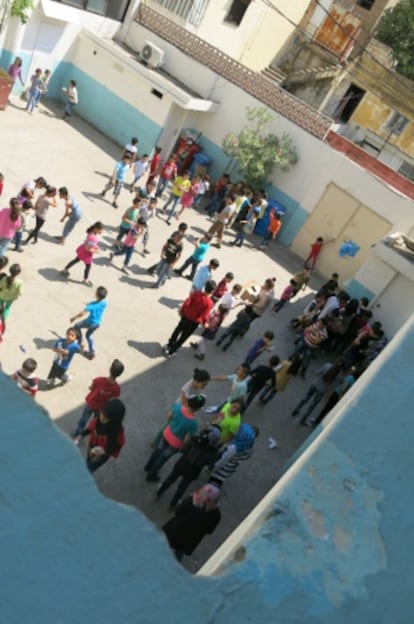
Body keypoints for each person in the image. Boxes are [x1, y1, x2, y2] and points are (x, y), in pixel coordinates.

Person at [156, 424, 221, 508]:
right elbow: (209, 464)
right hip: (194, 471)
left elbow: (183, 450)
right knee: (182, 487)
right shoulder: (214, 452)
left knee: (171, 478)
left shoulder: (194, 440)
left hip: (182, 463)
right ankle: (173, 504)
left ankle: (159, 494)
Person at [145, 395, 205, 482]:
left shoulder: (178, 407)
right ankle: (151, 475)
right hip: (175, 443)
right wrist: (183, 446)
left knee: (158, 450)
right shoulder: (193, 424)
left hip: (166, 433)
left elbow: (169, 417)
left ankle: (148, 466)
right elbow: (186, 439)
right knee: (162, 458)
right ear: (198, 408)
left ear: (189, 401)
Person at [162, 484, 221, 562]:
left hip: (176, 531)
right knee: (178, 553)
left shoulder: (191, 501)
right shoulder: (216, 514)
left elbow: (178, 512)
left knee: (165, 546)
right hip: (189, 539)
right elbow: (209, 530)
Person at [163, 280, 216, 357]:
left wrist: (182, 311)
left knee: (178, 330)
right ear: (212, 291)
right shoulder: (209, 303)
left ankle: (169, 344)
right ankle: (172, 351)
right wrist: (205, 324)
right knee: (184, 336)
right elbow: (204, 316)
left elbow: (187, 302)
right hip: (193, 323)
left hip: (185, 317)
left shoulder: (196, 293)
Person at [74, 359, 124, 437]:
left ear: (110, 369)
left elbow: (90, 388)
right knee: (96, 421)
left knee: (84, 418)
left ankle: (78, 433)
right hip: (101, 409)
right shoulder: (116, 388)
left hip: (91, 403)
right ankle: (91, 434)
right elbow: (112, 400)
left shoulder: (99, 380)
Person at [75, 398, 126, 473]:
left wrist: (104, 451)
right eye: (102, 413)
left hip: (102, 454)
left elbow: (118, 445)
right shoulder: (98, 419)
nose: (102, 418)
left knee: (90, 468)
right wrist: (81, 435)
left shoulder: (117, 430)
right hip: (92, 445)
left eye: (106, 418)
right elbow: (90, 428)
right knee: (88, 459)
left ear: (114, 420)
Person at [292, 359, 344, 425]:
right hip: (322, 390)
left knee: (306, 397)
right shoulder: (338, 376)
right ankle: (303, 418)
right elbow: (333, 385)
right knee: (313, 405)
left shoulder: (327, 365)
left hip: (315, 384)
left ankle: (296, 410)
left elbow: (317, 372)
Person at [209, 423, 259, 487]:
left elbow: (223, 460)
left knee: (212, 484)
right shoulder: (250, 447)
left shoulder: (233, 448)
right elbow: (246, 457)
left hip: (220, 470)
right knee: (219, 483)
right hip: (230, 469)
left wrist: (213, 468)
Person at [70, 286, 108, 359]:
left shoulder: (92, 306)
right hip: (97, 324)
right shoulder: (104, 303)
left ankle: (80, 343)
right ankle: (92, 352)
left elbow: (82, 314)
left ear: (96, 295)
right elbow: (97, 304)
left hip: (90, 322)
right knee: (88, 336)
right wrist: (89, 303)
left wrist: (74, 318)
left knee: (76, 326)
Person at [61, 221, 103, 286]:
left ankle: (65, 269)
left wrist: (95, 246)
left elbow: (89, 243)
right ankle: (85, 279)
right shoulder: (94, 238)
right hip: (86, 254)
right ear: (96, 229)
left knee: (76, 260)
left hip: (82, 250)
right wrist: (96, 251)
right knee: (88, 266)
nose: (102, 231)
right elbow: (88, 248)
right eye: (101, 230)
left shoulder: (91, 232)